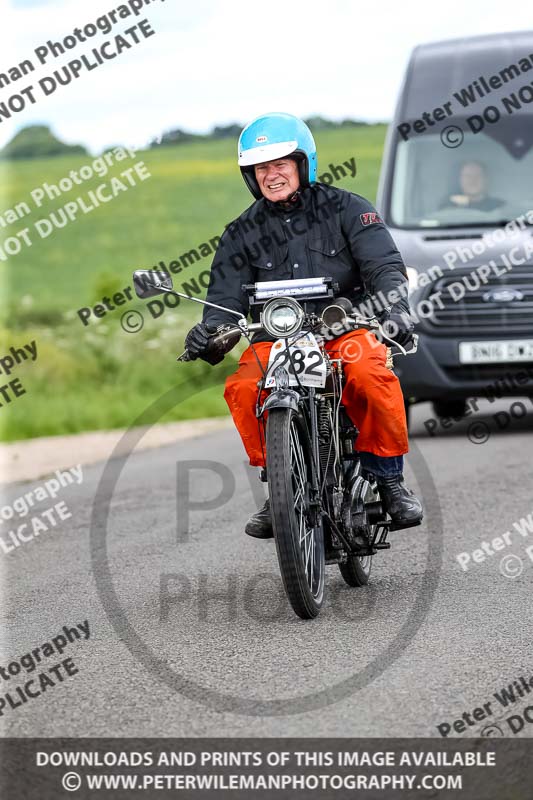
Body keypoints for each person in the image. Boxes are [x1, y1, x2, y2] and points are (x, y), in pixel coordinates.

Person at [185, 112, 423, 538]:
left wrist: (395, 310)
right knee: (242, 387)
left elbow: (386, 268)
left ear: (302, 163)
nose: (271, 175)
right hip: (275, 340)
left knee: (370, 375)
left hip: (345, 330)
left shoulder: (350, 209)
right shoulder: (240, 232)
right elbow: (224, 299)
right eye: (261, 168)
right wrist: (210, 333)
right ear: (250, 175)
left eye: (280, 164)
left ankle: (389, 481)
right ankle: (280, 486)